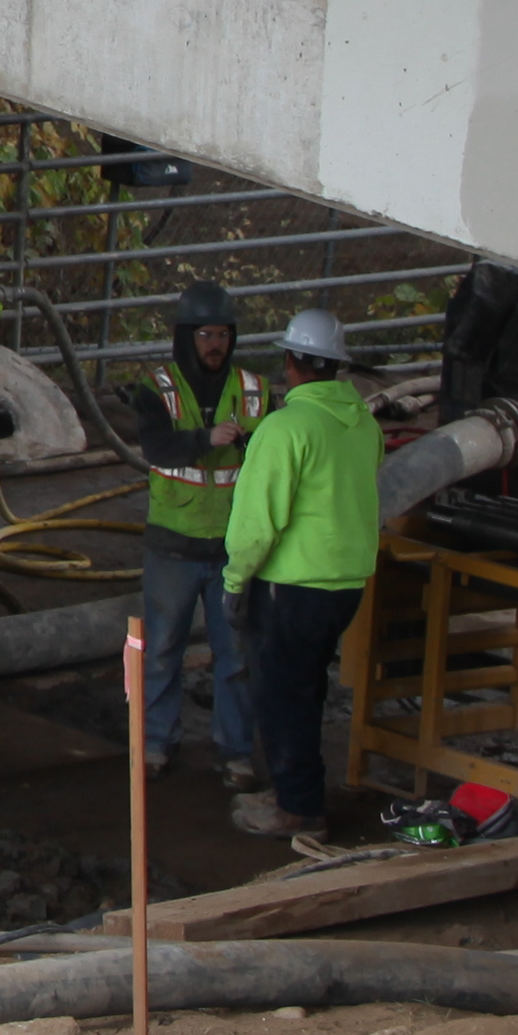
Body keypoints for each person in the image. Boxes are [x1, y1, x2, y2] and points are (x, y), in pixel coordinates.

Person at [223, 306, 385, 846]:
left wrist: (234, 582)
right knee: (305, 688)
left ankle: (299, 809)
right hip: (345, 585)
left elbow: (255, 524)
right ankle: (295, 792)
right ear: (336, 366)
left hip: (292, 586)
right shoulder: (362, 423)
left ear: (289, 361)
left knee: (281, 694)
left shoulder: (285, 428)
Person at [120, 282, 260, 778]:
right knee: (160, 651)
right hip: (173, 546)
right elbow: (159, 449)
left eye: (223, 334)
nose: (215, 344)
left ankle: (237, 752)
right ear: (185, 337)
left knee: (236, 654)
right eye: (205, 334)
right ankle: (156, 743)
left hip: (231, 550)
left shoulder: (252, 390)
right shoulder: (154, 389)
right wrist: (206, 438)